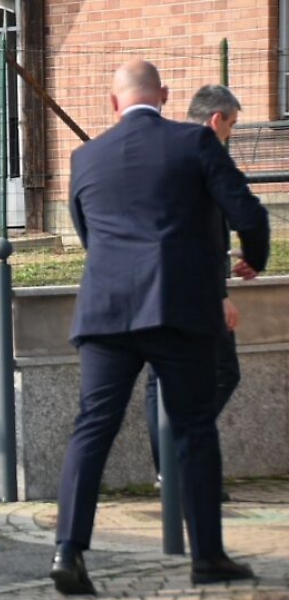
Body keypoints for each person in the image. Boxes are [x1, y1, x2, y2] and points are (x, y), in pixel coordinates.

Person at [50, 61, 270, 596]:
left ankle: (68, 552)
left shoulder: (84, 157)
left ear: (112, 103)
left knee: (92, 428)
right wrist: (254, 258)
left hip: (105, 311)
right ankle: (208, 557)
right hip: (178, 309)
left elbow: (86, 232)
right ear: (165, 96)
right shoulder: (195, 143)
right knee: (195, 429)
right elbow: (248, 213)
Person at [143, 85, 251, 502]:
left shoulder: (165, 150)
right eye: (233, 126)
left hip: (154, 281)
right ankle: (181, 459)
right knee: (223, 371)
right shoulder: (205, 155)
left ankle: (169, 469)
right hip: (195, 288)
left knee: (160, 379)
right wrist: (218, 290)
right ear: (216, 120)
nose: (231, 135)